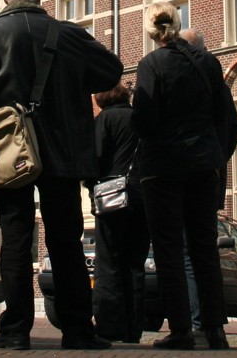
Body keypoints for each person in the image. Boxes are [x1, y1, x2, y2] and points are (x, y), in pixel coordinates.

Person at [0, 0, 123, 351]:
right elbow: (110, 71)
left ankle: (14, 331)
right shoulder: (70, 36)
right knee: (65, 241)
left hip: (9, 154)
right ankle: (79, 330)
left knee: (15, 240)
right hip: (63, 154)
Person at [132, 4, 237, 350]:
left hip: (163, 167)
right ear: (178, 26)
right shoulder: (208, 62)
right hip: (203, 165)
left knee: (169, 249)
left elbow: (145, 122)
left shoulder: (151, 65)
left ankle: (181, 330)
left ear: (151, 33)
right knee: (204, 247)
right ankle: (214, 329)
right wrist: (214, 155)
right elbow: (225, 115)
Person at [91, 81, 150, 344]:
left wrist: (91, 183)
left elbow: (96, 156)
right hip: (142, 195)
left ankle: (109, 325)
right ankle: (133, 328)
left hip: (113, 197)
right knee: (135, 264)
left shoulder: (106, 119)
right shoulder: (139, 118)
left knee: (109, 261)